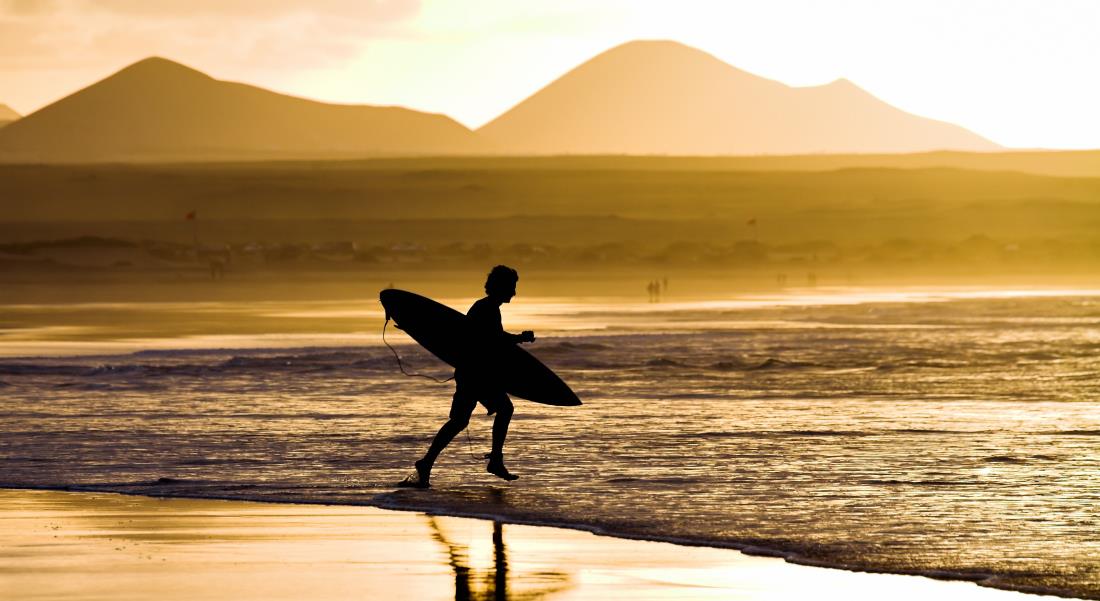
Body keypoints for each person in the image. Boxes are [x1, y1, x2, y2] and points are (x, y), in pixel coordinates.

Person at [400, 265, 535, 488]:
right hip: (477, 374)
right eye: (511, 287)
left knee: (459, 421)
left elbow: (480, 338)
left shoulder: (487, 307)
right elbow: (491, 339)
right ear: (500, 287)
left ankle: (426, 463)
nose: (514, 292)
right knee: (504, 409)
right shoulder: (487, 308)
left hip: (470, 372)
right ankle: (495, 461)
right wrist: (519, 338)